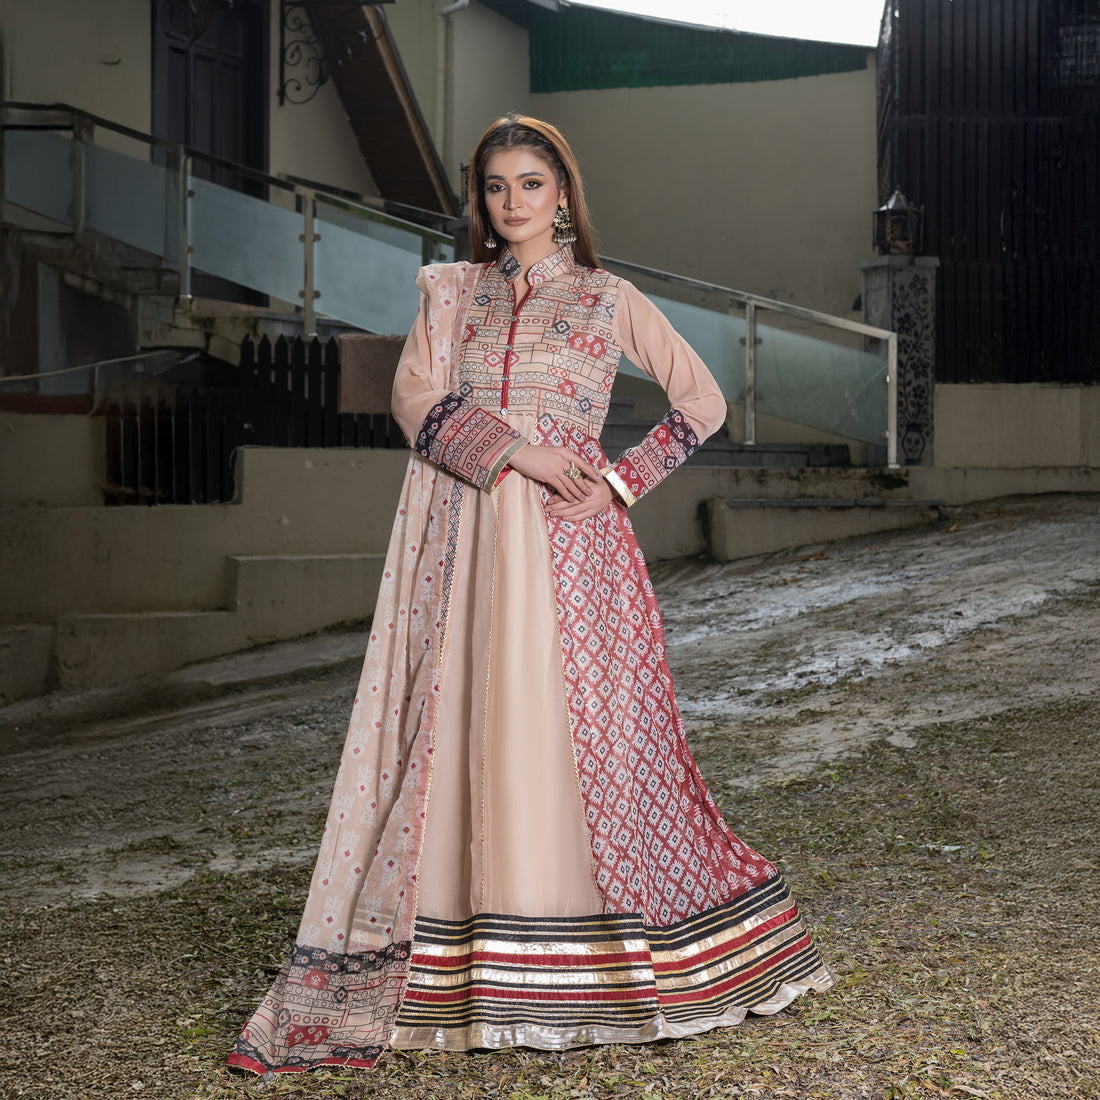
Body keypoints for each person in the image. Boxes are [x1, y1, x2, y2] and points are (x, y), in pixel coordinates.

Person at [228, 113, 835, 1075]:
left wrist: (621, 482)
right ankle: (450, 951)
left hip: (569, 542)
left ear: (563, 197)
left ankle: (572, 938)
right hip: (460, 532)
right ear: (479, 200)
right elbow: (415, 402)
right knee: (454, 717)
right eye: (495, 186)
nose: (512, 201)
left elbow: (704, 400)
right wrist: (520, 451)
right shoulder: (450, 292)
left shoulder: (606, 297)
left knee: (560, 725)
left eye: (531, 184)